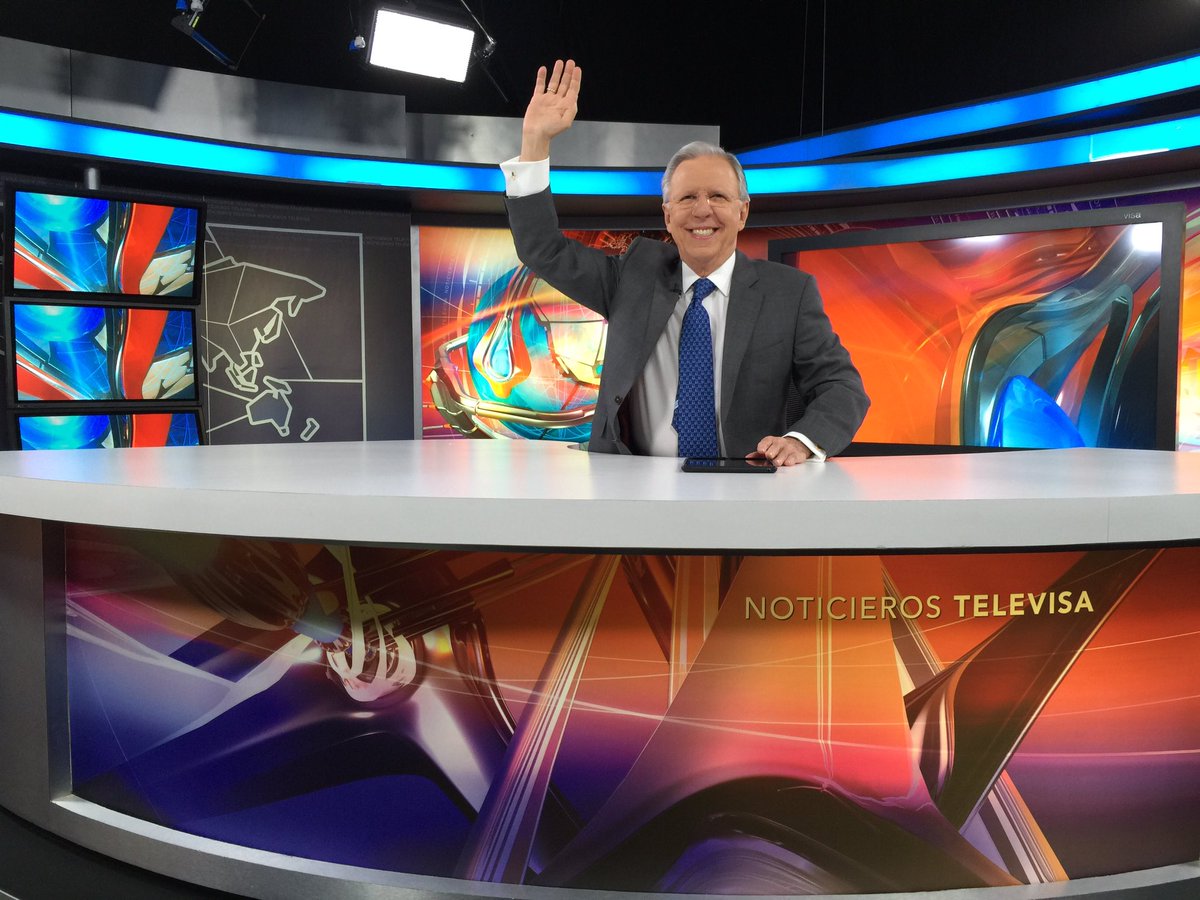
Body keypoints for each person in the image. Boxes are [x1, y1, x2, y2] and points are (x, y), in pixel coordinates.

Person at [500, 60, 868, 466]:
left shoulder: (789, 293)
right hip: (633, 483)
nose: (702, 210)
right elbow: (542, 248)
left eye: (718, 197)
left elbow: (842, 388)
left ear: (743, 212)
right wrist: (535, 142)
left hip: (746, 485)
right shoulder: (632, 276)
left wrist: (801, 441)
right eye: (688, 197)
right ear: (667, 216)